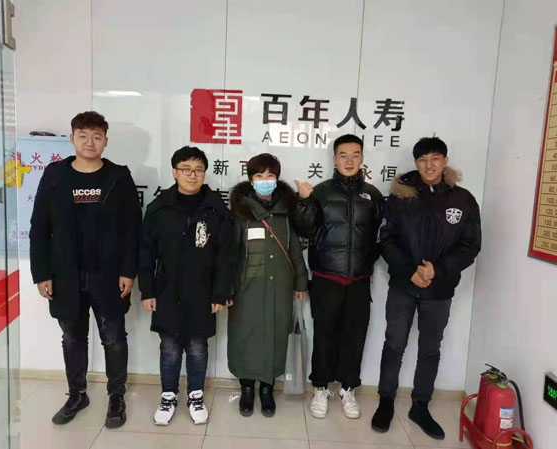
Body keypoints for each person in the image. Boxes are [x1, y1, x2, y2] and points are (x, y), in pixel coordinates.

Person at [30, 111, 141, 428]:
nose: (89, 142)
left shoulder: (118, 177)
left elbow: (133, 228)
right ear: (72, 138)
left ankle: (116, 396)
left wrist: (128, 270)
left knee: (114, 338)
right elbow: (40, 227)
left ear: (106, 140)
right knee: (72, 338)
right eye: (83, 135)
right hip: (65, 274)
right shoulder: (55, 176)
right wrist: (42, 274)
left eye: (96, 136)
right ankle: (77, 394)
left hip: (108, 274)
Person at [371, 137, 481, 439]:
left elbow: (471, 245)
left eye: (435, 158)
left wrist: (437, 270)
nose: (429, 165)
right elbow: (386, 239)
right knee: (394, 344)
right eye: (422, 159)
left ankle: (420, 405)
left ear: (445, 161)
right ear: (416, 163)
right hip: (403, 286)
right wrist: (410, 272)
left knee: (430, 349)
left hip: (439, 289)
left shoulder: (463, 200)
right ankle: (385, 400)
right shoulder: (400, 197)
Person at [138, 146, 235, 426]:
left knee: (197, 346)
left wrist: (220, 292)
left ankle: (195, 396)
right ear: (174, 172)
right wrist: (148, 290)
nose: (192, 175)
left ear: (204, 173)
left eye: (198, 170)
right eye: (186, 169)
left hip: (203, 290)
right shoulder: (159, 208)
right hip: (167, 289)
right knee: (169, 346)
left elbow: (226, 255)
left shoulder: (217, 209)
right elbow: (145, 253)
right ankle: (168, 396)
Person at [294, 134, 383, 420]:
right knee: (324, 335)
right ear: (334, 159)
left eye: (355, 155)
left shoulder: (373, 195)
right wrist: (304, 202)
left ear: (362, 159)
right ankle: (320, 387)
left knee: (354, 336)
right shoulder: (320, 192)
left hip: (358, 280)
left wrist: (365, 263)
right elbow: (305, 230)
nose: (349, 160)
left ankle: (348, 388)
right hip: (326, 277)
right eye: (343, 155)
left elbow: (380, 237)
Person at [228, 153, 308, 418]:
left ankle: (267, 388)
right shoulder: (240, 212)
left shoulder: (286, 211)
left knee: (275, 335)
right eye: (259, 176)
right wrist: (227, 287)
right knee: (245, 335)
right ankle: (247, 388)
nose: (265, 180)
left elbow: (294, 249)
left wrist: (300, 281)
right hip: (246, 287)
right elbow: (230, 253)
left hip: (280, 286)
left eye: (270, 175)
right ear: (251, 180)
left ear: (277, 178)